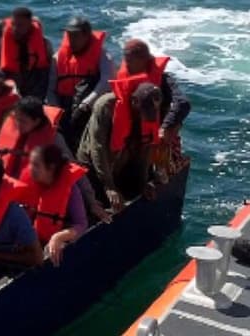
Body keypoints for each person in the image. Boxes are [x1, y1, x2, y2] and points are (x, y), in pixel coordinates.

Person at [77, 77, 162, 213]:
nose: (144, 117)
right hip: (94, 164)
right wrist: (109, 186)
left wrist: (143, 182)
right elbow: (97, 147)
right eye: (143, 111)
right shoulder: (105, 105)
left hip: (121, 159)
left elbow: (145, 148)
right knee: (99, 206)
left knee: (133, 197)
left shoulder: (150, 110)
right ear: (135, 101)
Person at [49, 17, 113, 149]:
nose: (71, 40)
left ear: (86, 36)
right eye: (69, 35)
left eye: (75, 36)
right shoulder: (57, 58)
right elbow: (50, 89)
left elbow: (106, 82)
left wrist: (85, 104)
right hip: (64, 106)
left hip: (89, 106)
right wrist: (56, 112)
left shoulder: (103, 55)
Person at [21, 144, 89, 266]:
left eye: (36, 165)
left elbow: (82, 224)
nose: (30, 169)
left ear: (50, 168)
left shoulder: (69, 188)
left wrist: (58, 237)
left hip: (57, 240)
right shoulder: (27, 186)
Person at [119, 39, 191, 150]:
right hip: (130, 132)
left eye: (130, 61)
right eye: (126, 61)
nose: (127, 65)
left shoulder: (162, 79)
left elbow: (183, 103)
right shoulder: (123, 78)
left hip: (156, 134)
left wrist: (165, 127)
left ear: (144, 60)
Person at [0, 7, 54, 100]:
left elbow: (47, 72)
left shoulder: (44, 44)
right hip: (9, 91)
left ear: (29, 24)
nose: (15, 28)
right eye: (13, 24)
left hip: (35, 92)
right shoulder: (0, 45)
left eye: (20, 25)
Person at [0, 96, 63, 177]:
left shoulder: (55, 139)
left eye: (23, 121)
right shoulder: (14, 128)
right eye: (16, 119)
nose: (18, 124)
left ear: (36, 121)